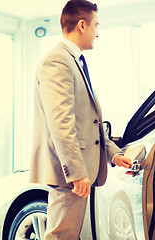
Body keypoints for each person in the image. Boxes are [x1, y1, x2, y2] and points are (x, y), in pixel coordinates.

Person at [29, 0, 132, 239]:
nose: (98, 32)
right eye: (96, 25)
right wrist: (76, 173)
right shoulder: (57, 61)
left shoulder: (74, 61)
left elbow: (88, 122)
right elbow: (61, 123)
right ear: (82, 25)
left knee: (68, 234)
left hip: (76, 172)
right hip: (69, 175)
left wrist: (114, 154)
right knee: (61, 235)